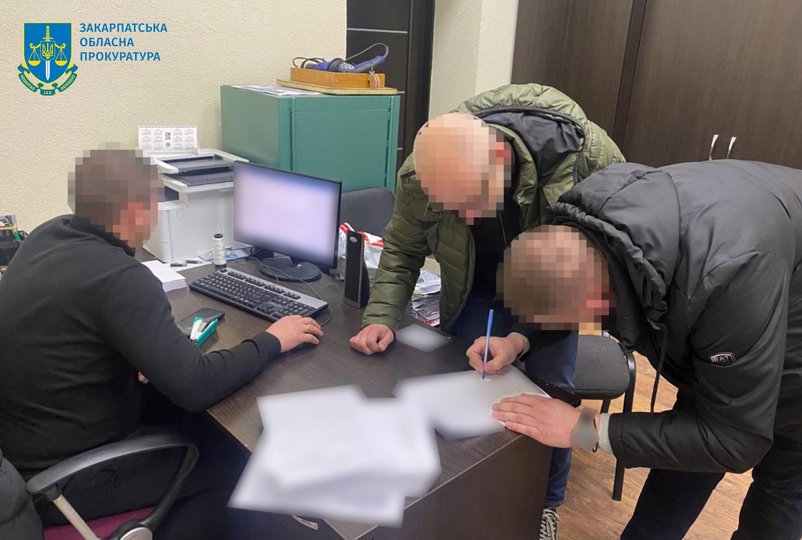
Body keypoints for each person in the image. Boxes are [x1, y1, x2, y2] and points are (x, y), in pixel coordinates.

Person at [0, 148, 324, 539]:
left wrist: (131, 352)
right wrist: (272, 340)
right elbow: (196, 385)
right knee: (238, 457)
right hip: (64, 478)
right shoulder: (120, 278)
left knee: (192, 414)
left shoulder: (48, 235)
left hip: (27, 445)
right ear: (136, 211)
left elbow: (70, 329)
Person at [348, 83, 624, 539]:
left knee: (552, 398)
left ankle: (545, 505)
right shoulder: (423, 173)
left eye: (473, 199)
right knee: (467, 389)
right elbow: (402, 248)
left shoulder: (585, 162)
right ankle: (471, 497)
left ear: (499, 158)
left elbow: (597, 269)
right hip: (474, 285)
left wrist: (521, 338)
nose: (467, 216)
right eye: (451, 206)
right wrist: (381, 315)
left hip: (557, 286)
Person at [492, 160, 802, 540]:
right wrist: (518, 340)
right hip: (746, 292)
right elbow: (562, 284)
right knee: (683, 460)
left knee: (780, 490)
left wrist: (583, 429)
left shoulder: (724, 280)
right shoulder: (589, 226)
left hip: (790, 363)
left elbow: (735, 441)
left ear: (598, 301)